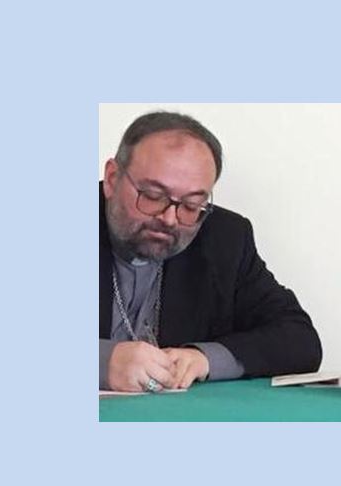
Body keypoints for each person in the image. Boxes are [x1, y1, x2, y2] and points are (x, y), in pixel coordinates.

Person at [100, 111, 322, 392]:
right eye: (153, 196)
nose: (170, 219)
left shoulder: (225, 238)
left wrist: (205, 358)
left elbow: (299, 340)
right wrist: (101, 361)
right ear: (112, 179)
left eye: (191, 205)